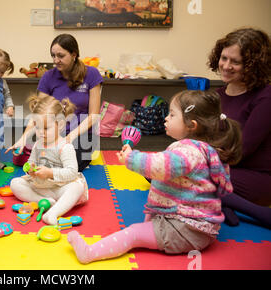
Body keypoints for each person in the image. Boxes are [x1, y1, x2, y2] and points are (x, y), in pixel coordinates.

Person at [67, 89, 242, 264]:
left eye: (172, 115)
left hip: (187, 230)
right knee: (149, 217)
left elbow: (159, 166)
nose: (166, 118)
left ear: (192, 125)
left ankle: (89, 253)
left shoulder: (189, 153)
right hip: (195, 225)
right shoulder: (203, 149)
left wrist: (131, 158)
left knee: (134, 233)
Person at [6, 34, 103, 172]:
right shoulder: (48, 76)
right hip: (53, 131)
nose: (56, 60)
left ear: (74, 54)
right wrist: (23, 138)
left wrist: (71, 136)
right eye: (53, 55)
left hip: (81, 134)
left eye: (61, 55)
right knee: (25, 159)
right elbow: (38, 112)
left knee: (69, 164)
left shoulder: (92, 74)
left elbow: (94, 115)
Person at [208, 27, 271, 228]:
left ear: (254, 65)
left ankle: (258, 213)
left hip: (256, 175)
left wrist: (199, 159)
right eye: (224, 58)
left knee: (187, 175)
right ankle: (225, 206)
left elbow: (242, 149)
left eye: (235, 62)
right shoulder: (218, 94)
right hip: (221, 166)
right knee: (159, 170)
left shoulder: (265, 96)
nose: (226, 66)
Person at [10, 94, 89, 225]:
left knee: (77, 187)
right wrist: (29, 168)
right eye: (37, 127)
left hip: (60, 187)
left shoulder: (65, 147)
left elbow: (72, 172)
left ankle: (53, 213)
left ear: (61, 125)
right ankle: (43, 200)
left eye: (46, 128)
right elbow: (31, 161)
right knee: (15, 183)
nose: (41, 132)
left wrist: (50, 173)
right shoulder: (38, 144)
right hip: (41, 187)